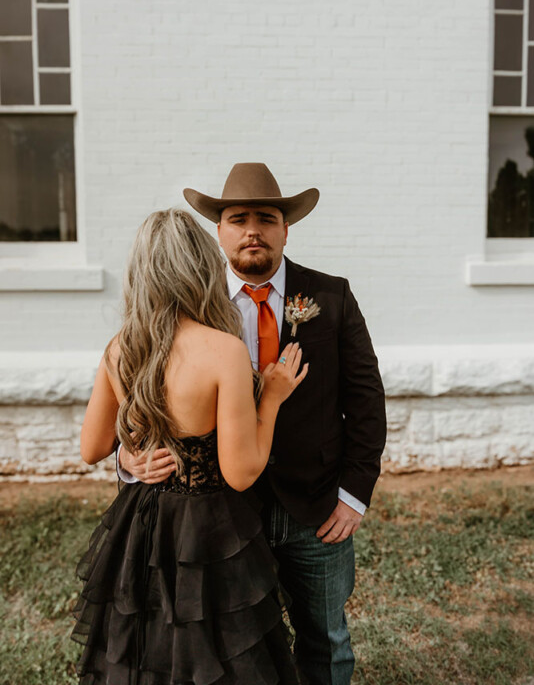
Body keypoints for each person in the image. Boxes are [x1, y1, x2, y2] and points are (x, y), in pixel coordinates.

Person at [119, 163, 388, 685]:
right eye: (237, 218)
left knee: (326, 638)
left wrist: (354, 494)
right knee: (237, 647)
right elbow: (140, 385)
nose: (252, 230)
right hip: (221, 511)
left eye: (266, 218)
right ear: (218, 230)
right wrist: (127, 454)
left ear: (286, 228)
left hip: (315, 507)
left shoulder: (330, 297)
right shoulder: (188, 305)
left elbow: (366, 399)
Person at [72, 207, 308, 684]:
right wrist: (275, 399)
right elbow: (241, 472)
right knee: (216, 649)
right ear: (201, 268)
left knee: (149, 645)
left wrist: (130, 457)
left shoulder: (120, 347)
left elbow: (91, 447)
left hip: (141, 522)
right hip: (207, 526)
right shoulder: (223, 350)